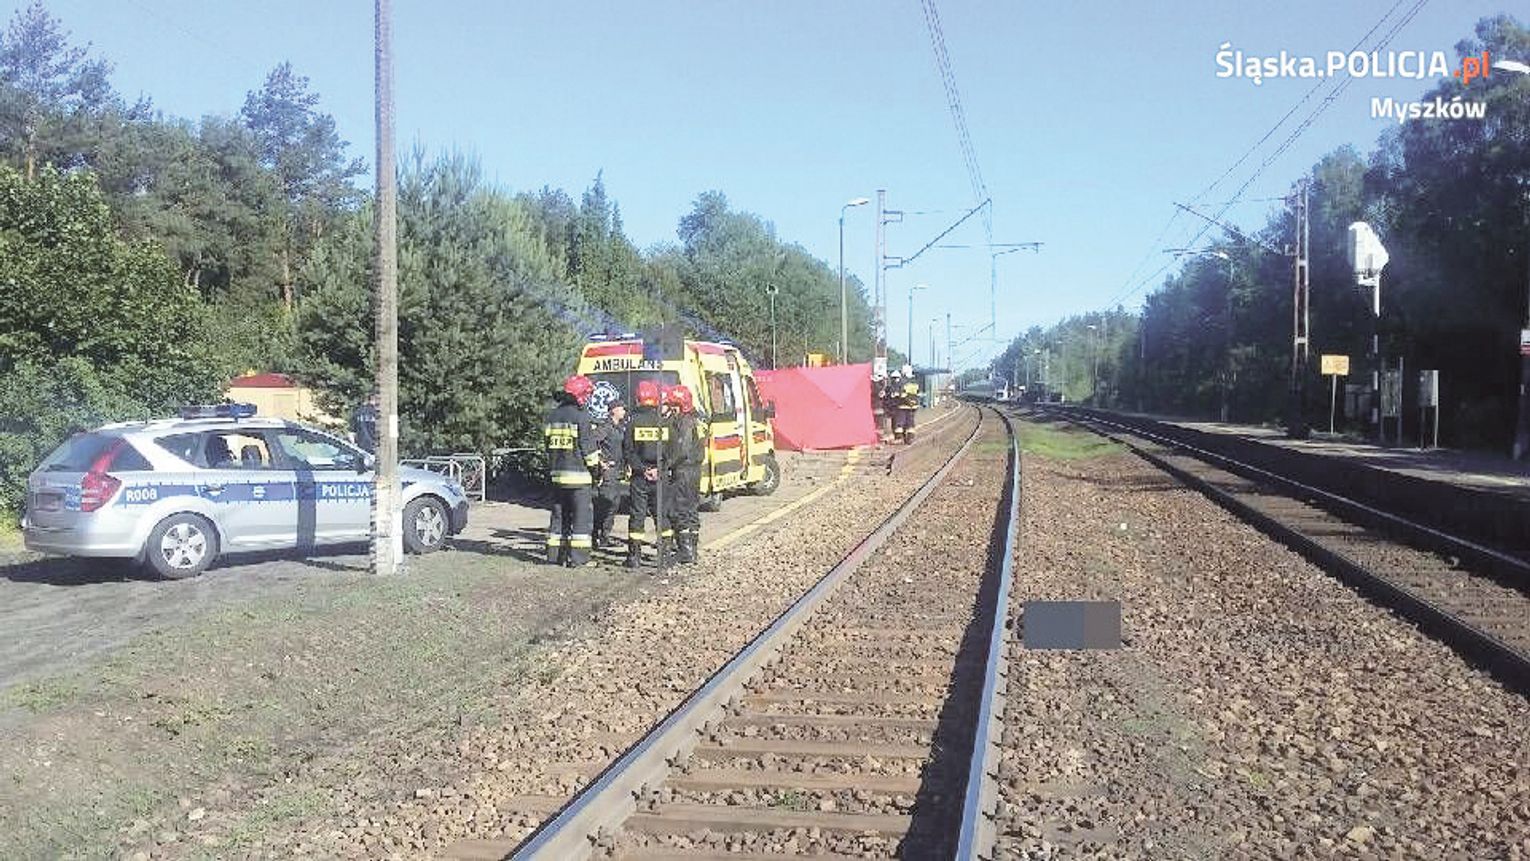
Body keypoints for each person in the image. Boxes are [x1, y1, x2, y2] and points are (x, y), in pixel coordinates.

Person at [542, 375, 601, 567]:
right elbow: (588, 450)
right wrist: (597, 471)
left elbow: (548, 446)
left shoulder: (552, 416)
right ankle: (579, 559)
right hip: (579, 478)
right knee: (581, 519)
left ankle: (554, 556)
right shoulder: (581, 417)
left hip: (557, 476)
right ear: (581, 395)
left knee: (558, 518)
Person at [622, 379, 672, 569]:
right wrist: (660, 469)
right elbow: (672, 451)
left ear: (638, 399)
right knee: (661, 515)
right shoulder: (664, 423)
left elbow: (628, 452)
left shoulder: (633, 423)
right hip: (660, 477)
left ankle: (634, 557)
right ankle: (665, 555)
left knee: (637, 515)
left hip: (639, 477)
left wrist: (643, 470)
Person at [663, 385, 703, 564]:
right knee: (692, 509)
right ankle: (692, 549)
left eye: (674, 405)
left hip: (684, 470)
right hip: (694, 470)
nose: (672, 408)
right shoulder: (696, 419)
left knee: (681, 510)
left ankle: (685, 552)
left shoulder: (685, 422)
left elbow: (682, 449)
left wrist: (666, 464)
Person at [591, 401, 628, 550]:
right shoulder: (605, 427)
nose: (624, 411)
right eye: (622, 409)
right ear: (613, 411)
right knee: (605, 504)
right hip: (608, 471)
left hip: (618, 471)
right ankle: (596, 536)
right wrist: (600, 462)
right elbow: (591, 443)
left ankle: (605, 536)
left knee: (614, 505)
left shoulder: (619, 427)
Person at [895, 365, 922, 444]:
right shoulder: (915, 381)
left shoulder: (902, 381)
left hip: (903, 405)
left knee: (900, 421)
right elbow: (918, 393)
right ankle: (910, 438)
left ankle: (899, 438)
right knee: (910, 422)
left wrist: (897, 395)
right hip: (913, 406)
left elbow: (900, 393)